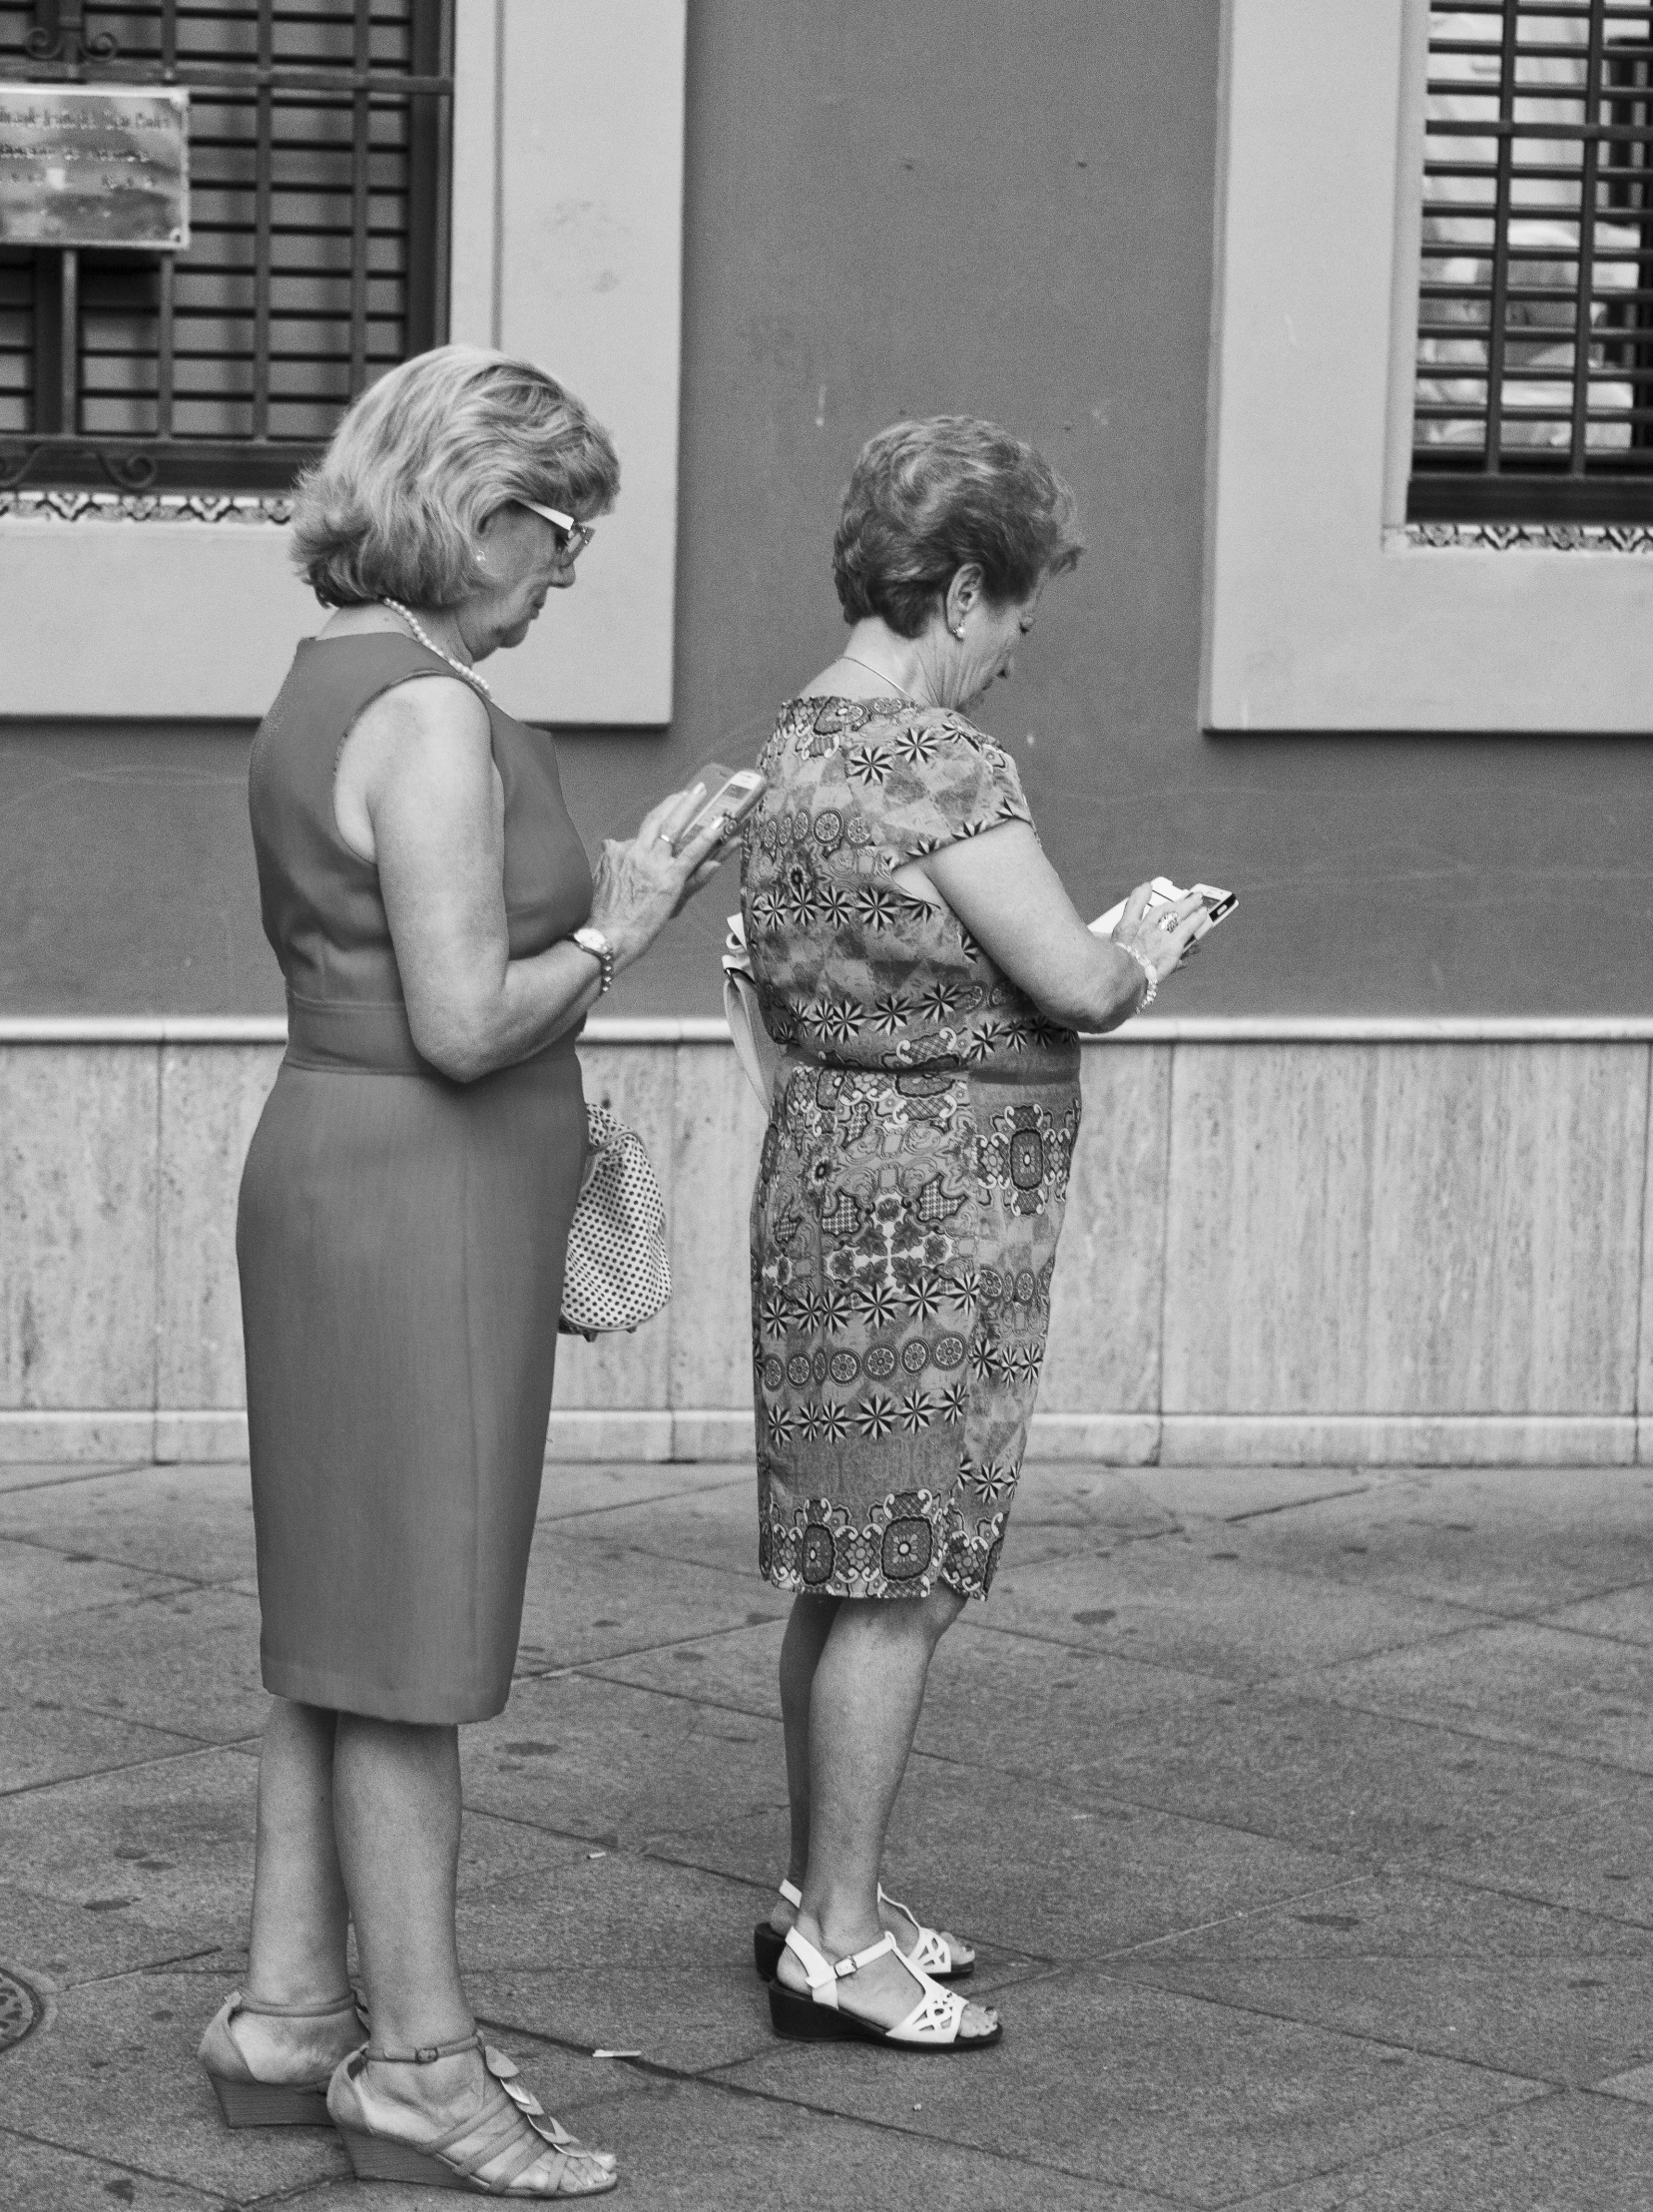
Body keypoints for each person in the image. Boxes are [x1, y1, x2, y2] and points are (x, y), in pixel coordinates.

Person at [201, 345, 722, 2197]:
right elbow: (460, 1019)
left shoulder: (328, 681)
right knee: (401, 1648)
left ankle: (284, 2017)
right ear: (483, 511)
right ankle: (420, 2063)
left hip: (368, 1188)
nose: (567, 576)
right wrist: (622, 927)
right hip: (411, 1199)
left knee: (341, 1633)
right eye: (562, 534)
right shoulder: (425, 717)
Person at [742, 416, 1209, 2051]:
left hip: (830, 1176)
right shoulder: (932, 760)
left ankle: (817, 1897)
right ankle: (842, 1946)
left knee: (840, 1560)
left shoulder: (797, 738)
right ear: (955, 592)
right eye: (1012, 615)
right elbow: (1072, 984)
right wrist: (1148, 941)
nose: (1012, 653)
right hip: (934, 1211)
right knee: (898, 1578)